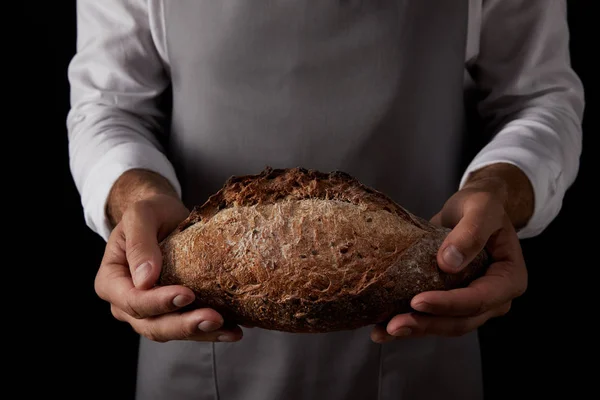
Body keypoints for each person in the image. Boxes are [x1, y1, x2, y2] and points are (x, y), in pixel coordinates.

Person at [66, 0, 584, 399]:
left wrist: (500, 189)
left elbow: (537, 96)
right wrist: (135, 196)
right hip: (190, 343)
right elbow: (109, 105)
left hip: (427, 328)